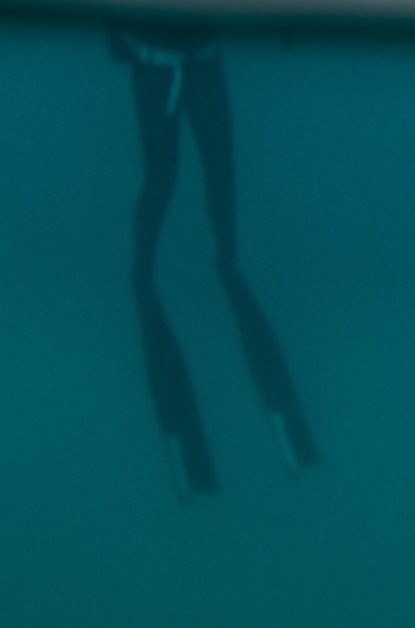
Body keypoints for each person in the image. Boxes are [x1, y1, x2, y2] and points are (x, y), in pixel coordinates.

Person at [109, 26, 320, 499]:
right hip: (164, 62)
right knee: (167, 177)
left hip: (190, 60)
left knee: (213, 169)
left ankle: (209, 263)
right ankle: (150, 273)